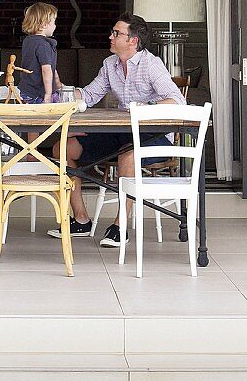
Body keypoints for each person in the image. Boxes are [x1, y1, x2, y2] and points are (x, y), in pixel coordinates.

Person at [48, 13, 185, 247]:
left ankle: (120, 227)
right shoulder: (110, 64)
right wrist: (62, 89)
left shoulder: (151, 64)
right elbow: (90, 95)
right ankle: (80, 219)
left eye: (116, 33)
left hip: (154, 136)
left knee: (128, 154)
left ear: (133, 41)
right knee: (64, 148)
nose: (110, 36)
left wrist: (146, 107)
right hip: (120, 133)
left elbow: (177, 101)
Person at [19, 2, 63, 103]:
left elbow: (52, 68)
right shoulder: (44, 44)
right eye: (54, 22)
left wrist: (58, 84)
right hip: (39, 93)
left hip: (27, 91)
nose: (55, 26)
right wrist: (48, 94)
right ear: (43, 25)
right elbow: (47, 70)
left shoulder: (28, 41)